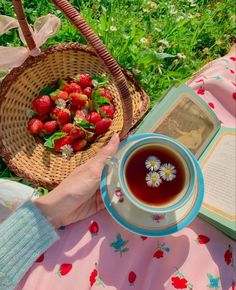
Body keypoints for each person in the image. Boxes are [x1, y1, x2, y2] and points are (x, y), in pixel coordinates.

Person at [0, 47, 236, 290]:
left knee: (212, 95)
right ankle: (227, 72)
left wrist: (53, 211)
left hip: (40, 250)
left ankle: (227, 72)